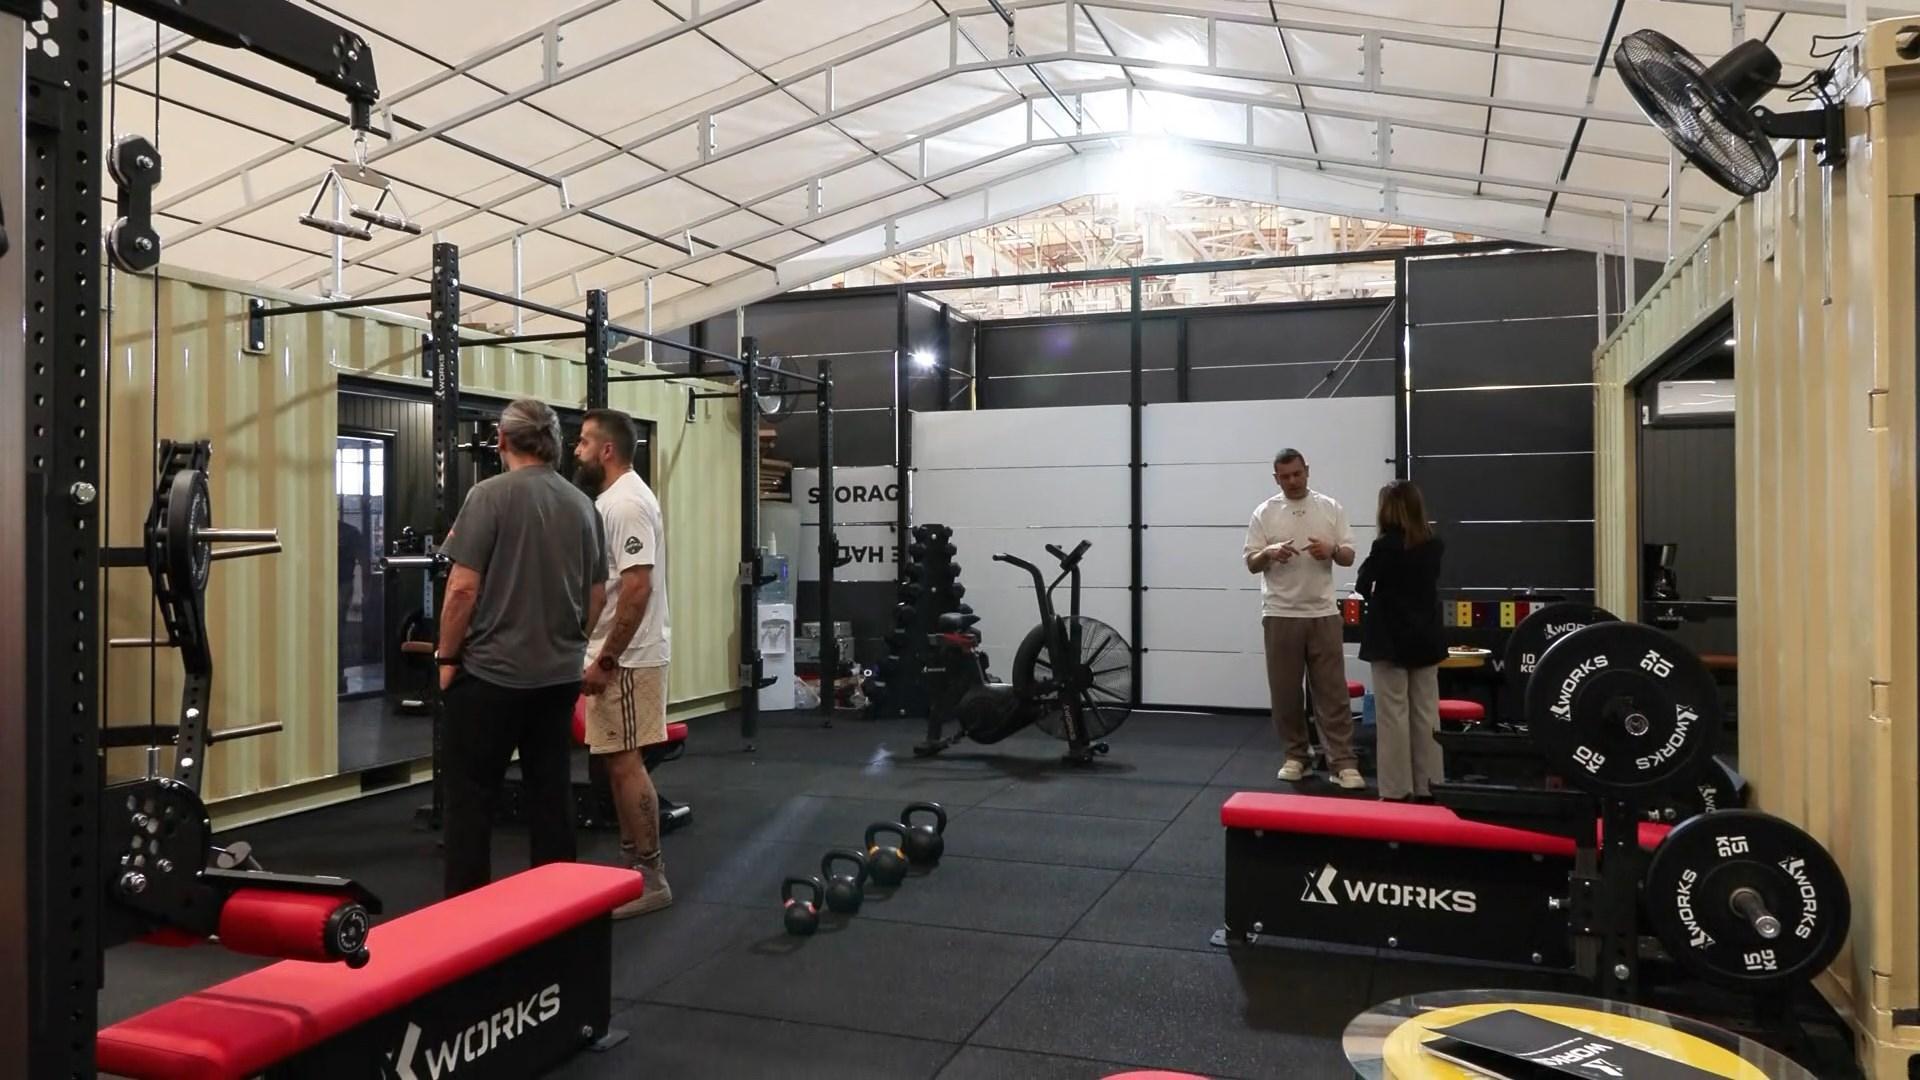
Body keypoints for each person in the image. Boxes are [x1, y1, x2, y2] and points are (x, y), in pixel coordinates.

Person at [435, 398, 606, 898]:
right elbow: (597, 594)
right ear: (553, 443)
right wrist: (571, 642)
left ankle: (466, 916)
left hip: (491, 677)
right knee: (551, 796)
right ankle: (560, 910)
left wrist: (447, 657)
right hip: (557, 678)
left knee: (471, 801)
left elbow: (461, 588)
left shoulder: (488, 496)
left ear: (503, 440)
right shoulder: (582, 505)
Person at [574, 408, 673, 919]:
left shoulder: (628, 503)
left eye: (583, 443)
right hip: (615, 655)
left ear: (606, 450)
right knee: (615, 763)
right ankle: (633, 867)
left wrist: (608, 660)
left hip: (628, 659)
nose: (577, 451)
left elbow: (637, 588)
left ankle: (652, 877)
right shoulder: (610, 500)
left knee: (626, 763)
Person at [1243, 448, 1362, 789]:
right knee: (1285, 693)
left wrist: (1332, 550)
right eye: (1285, 476)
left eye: (1297, 474)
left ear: (1307, 470)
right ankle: (1296, 756)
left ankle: (1342, 762)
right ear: (1276, 478)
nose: (1292, 481)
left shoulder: (1330, 507)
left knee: (1332, 692)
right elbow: (1251, 563)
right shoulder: (1264, 512)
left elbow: (1349, 556)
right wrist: (1269, 552)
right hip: (1280, 612)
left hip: (1322, 612)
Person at [1355, 480, 1447, 802]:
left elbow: (1363, 584)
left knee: (1393, 715)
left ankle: (1396, 789)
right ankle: (1430, 785)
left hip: (1390, 640)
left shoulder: (1385, 546)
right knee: (1426, 713)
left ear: (1386, 509)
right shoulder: (1434, 544)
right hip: (1426, 637)